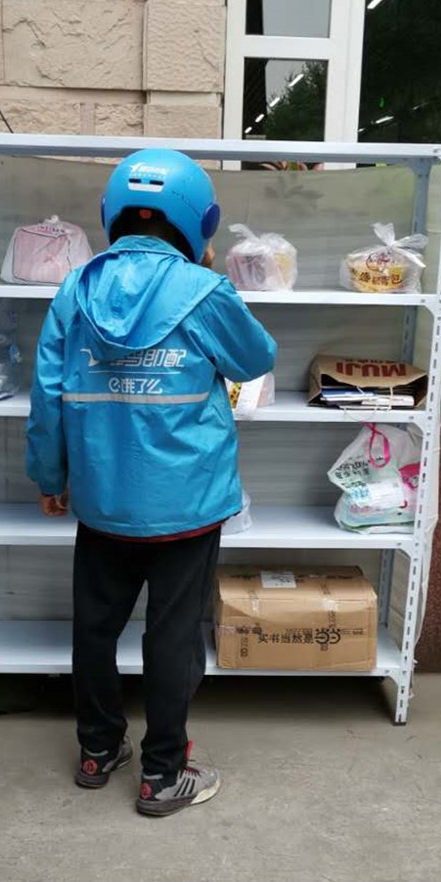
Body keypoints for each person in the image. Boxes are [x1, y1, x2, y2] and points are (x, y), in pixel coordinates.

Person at [25, 149, 276, 817]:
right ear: (197, 220)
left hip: (103, 502)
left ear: (113, 213)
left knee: (94, 628)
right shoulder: (205, 290)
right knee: (170, 637)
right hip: (188, 505)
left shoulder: (76, 289)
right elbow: (257, 357)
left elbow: (47, 394)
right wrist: (212, 278)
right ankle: (164, 775)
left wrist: (50, 476)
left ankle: (98, 746)